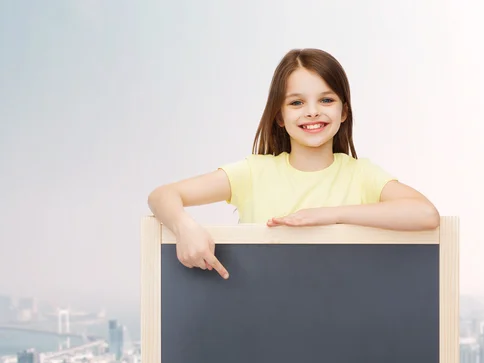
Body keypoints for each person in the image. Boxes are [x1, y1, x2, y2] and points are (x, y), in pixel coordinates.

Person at [148, 48, 440, 280]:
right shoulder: (253, 173)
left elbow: (425, 214)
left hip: (340, 328)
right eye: (296, 103)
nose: (312, 112)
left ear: (343, 113)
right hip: (262, 324)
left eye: (326, 100)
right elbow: (162, 195)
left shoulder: (361, 175)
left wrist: (328, 215)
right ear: (279, 116)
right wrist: (185, 228)